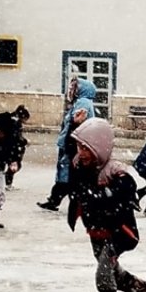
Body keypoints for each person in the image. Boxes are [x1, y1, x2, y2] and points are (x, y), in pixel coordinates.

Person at [65, 117, 146, 292]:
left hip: (120, 232)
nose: (82, 152)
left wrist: (100, 195)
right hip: (95, 229)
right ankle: (139, 288)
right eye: (80, 147)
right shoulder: (78, 164)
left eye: (87, 148)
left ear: (100, 147)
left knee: (104, 272)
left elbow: (126, 190)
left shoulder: (115, 170)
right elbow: (75, 188)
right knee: (111, 269)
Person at [38, 78, 97, 211]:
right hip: (71, 144)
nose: (71, 90)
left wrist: (72, 143)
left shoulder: (83, 102)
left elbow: (77, 122)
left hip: (72, 144)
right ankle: (57, 200)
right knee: (68, 174)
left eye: (74, 87)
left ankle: (65, 202)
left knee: (69, 175)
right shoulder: (82, 101)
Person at [3, 105, 31, 190]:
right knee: (15, 166)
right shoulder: (15, 123)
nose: (25, 122)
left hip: (9, 147)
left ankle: (7, 181)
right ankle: (8, 183)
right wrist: (25, 142)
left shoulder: (12, 120)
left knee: (13, 165)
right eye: (25, 119)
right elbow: (15, 137)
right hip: (12, 148)